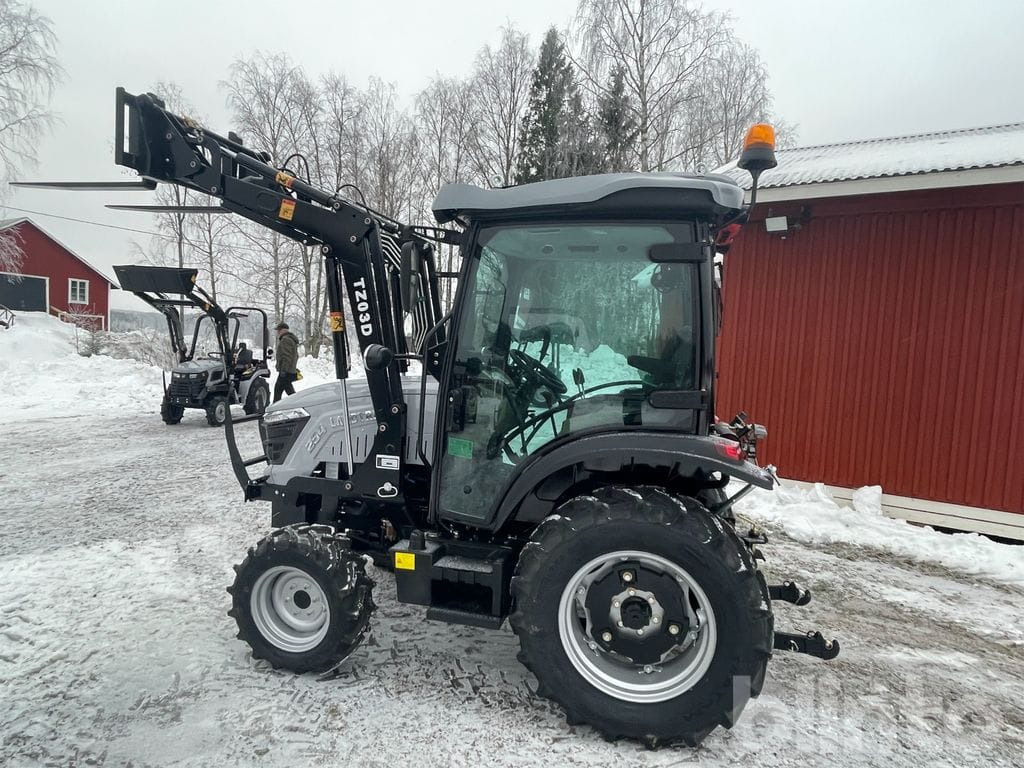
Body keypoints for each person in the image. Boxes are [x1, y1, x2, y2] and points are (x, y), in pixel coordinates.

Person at [273, 322, 300, 402]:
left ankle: (274, 408)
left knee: (278, 390)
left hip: (286, 371)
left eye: (278, 330)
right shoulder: (291, 339)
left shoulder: (285, 340)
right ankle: (298, 404)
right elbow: (295, 355)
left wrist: (284, 370)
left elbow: (286, 356)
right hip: (289, 370)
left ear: (283, 330)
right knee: (288, 390)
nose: (277, 332)